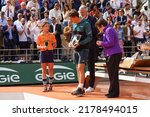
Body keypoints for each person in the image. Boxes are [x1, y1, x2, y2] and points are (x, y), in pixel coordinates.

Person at [96, 18, 122, 98]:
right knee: (112, 74)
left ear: (102, 26)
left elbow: (110, 43)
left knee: (113, 74)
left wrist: (101, 43)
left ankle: (113, 92)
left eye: (98, 27)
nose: (98, 29)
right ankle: (112, 91)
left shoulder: (108, 30)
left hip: (113, 54)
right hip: (112, 54)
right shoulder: (107, 30)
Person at [68, 9, 92, 97]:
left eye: (71, 19)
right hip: (76, 49)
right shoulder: (74, 24)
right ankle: (79, 87)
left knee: (80, 67)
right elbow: (73, 36)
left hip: (84, 49)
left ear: (75, 17)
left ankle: (81, 87)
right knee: (77, 68)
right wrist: (71, 42)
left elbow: (90, 37)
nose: (70, 20)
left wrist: (80, 43)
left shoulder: (86, 23)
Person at [78, 5, 98, 93]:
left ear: (86, 12)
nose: (81, 14)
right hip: (81, 46)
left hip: (90, 46)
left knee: (90, 65)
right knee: (81, 66)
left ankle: (91, 85)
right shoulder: (79, 20)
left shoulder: (93, 20)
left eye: (82, 12)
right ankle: (81, 84)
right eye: (80, 12)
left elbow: (94, 32)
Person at [36, 22, 57, 92]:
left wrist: (52, 46)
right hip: (43, 53)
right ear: (42, 27)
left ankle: (51, 85)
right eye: (46, 26)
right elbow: (37, 46)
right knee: (44, 70)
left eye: (48, 26)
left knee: (51, 69)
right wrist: (42, 47)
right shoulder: (39, 36)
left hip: (50, 52)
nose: (47, 28)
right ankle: (45, 86)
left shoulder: (51, 35)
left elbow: (55, 44)